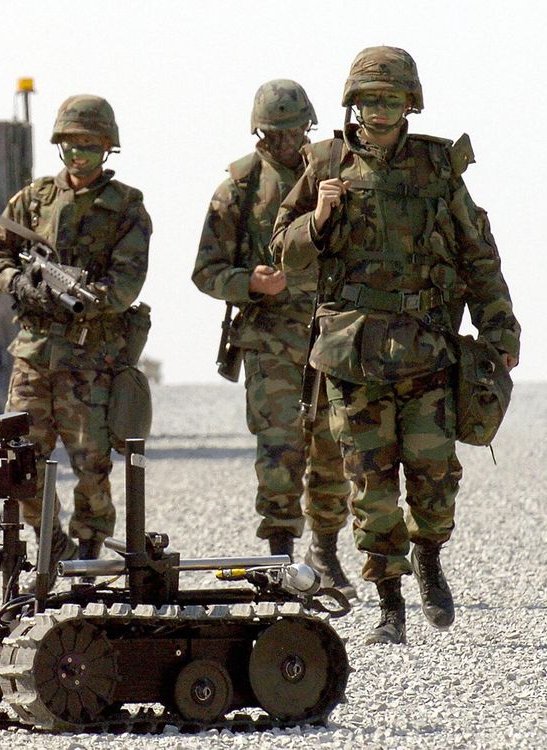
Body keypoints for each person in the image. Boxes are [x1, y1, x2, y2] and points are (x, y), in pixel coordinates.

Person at [271, 47, 520, 645]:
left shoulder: (438, 169)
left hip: (426, 352)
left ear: (410, 103)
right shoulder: (325, 162)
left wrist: (500, 329)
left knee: (434, 478)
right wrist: (319, 216)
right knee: (370, 486)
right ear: (352, 105)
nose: (377, 112)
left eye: (389, 100)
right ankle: (390, 604)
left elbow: (478, 256)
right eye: (367, 101)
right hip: (351, 356)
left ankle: (429, 557)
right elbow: (284, 250)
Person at [192, 80, 355, 596]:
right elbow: (205, 270)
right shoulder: (240, 187)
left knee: (333, 447)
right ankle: (281, 556)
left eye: (294, 132)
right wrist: (250, 283)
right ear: (259, 132)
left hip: (333, 334)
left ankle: (324, 553)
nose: (286, 143)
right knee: (280, 451)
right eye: (274, 134)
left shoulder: (337, 172)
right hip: (270, 339)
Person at [0, 94, 151, 573]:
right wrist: (21, 283)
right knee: (14, 459)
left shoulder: (126, 208)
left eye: (90, 149)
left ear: (107, 150)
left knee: (92, 468)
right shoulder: (33, 200)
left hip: (90, 360)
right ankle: (50, 543)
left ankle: (89, 557)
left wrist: (82, 296)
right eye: (71, 148)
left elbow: (126, 284)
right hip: (34, 355)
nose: (79, 158)